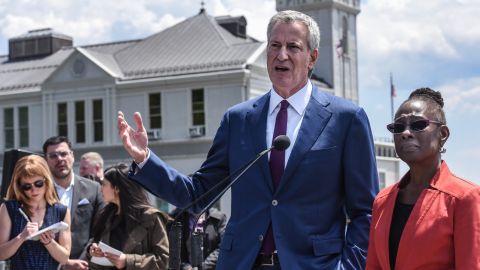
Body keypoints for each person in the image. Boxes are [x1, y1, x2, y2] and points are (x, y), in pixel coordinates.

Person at [118, 10, 378, 269]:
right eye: (274, 45)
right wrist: (145, 159)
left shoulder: (346, 119)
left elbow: (365, 212)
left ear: (312, 58)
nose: (282, 54)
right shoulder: (238, 120)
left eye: (293, 47)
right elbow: (198, 194)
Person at [366, 88, 480, 269]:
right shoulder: (382, 201)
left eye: (418, 124)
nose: (405, 133)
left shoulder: (464, 198)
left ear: (442, 134)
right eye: (398, 127)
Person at [87, 163, 169, 269]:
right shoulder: (106, 216)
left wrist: (127, 261)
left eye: (104, 184)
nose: (100, 189)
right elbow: (95, 243)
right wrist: (92, 250)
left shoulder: (150, 218)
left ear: (116, 189)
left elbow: (163, 259)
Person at [43, 136, 104, 270]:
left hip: (85, 265)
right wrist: (63, 263)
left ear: (72, 156)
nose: (60, 159)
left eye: (64, 154)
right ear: (46, 160)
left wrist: (81, 261)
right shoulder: (38, 191)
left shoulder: (94, 189)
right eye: (53, 156)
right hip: (47, 265)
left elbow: (100, 231)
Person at [0, 155, 71, 269]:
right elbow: (1, 254)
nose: (34, 190)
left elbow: (64, 258)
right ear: (19, 186)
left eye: (38, 183)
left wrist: (49, 242)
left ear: (46, 181)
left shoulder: (61, 211)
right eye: (27, 186)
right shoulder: (10, 208)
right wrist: (21, 237)